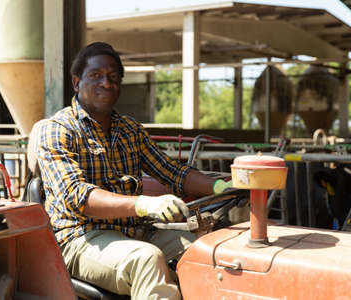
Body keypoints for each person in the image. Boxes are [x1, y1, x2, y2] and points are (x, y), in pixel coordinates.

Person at [35, 42, 232, 300]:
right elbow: (78, 196)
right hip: (80, 238)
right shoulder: (58, 130)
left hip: (137, 232)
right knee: (146, 260)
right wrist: (143, 204)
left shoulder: (130, 130)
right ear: (76, 82)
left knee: (211, 250)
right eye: (96, 76)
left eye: (113, 77)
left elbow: (172, 172)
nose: (106, 83)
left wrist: (222, 187)